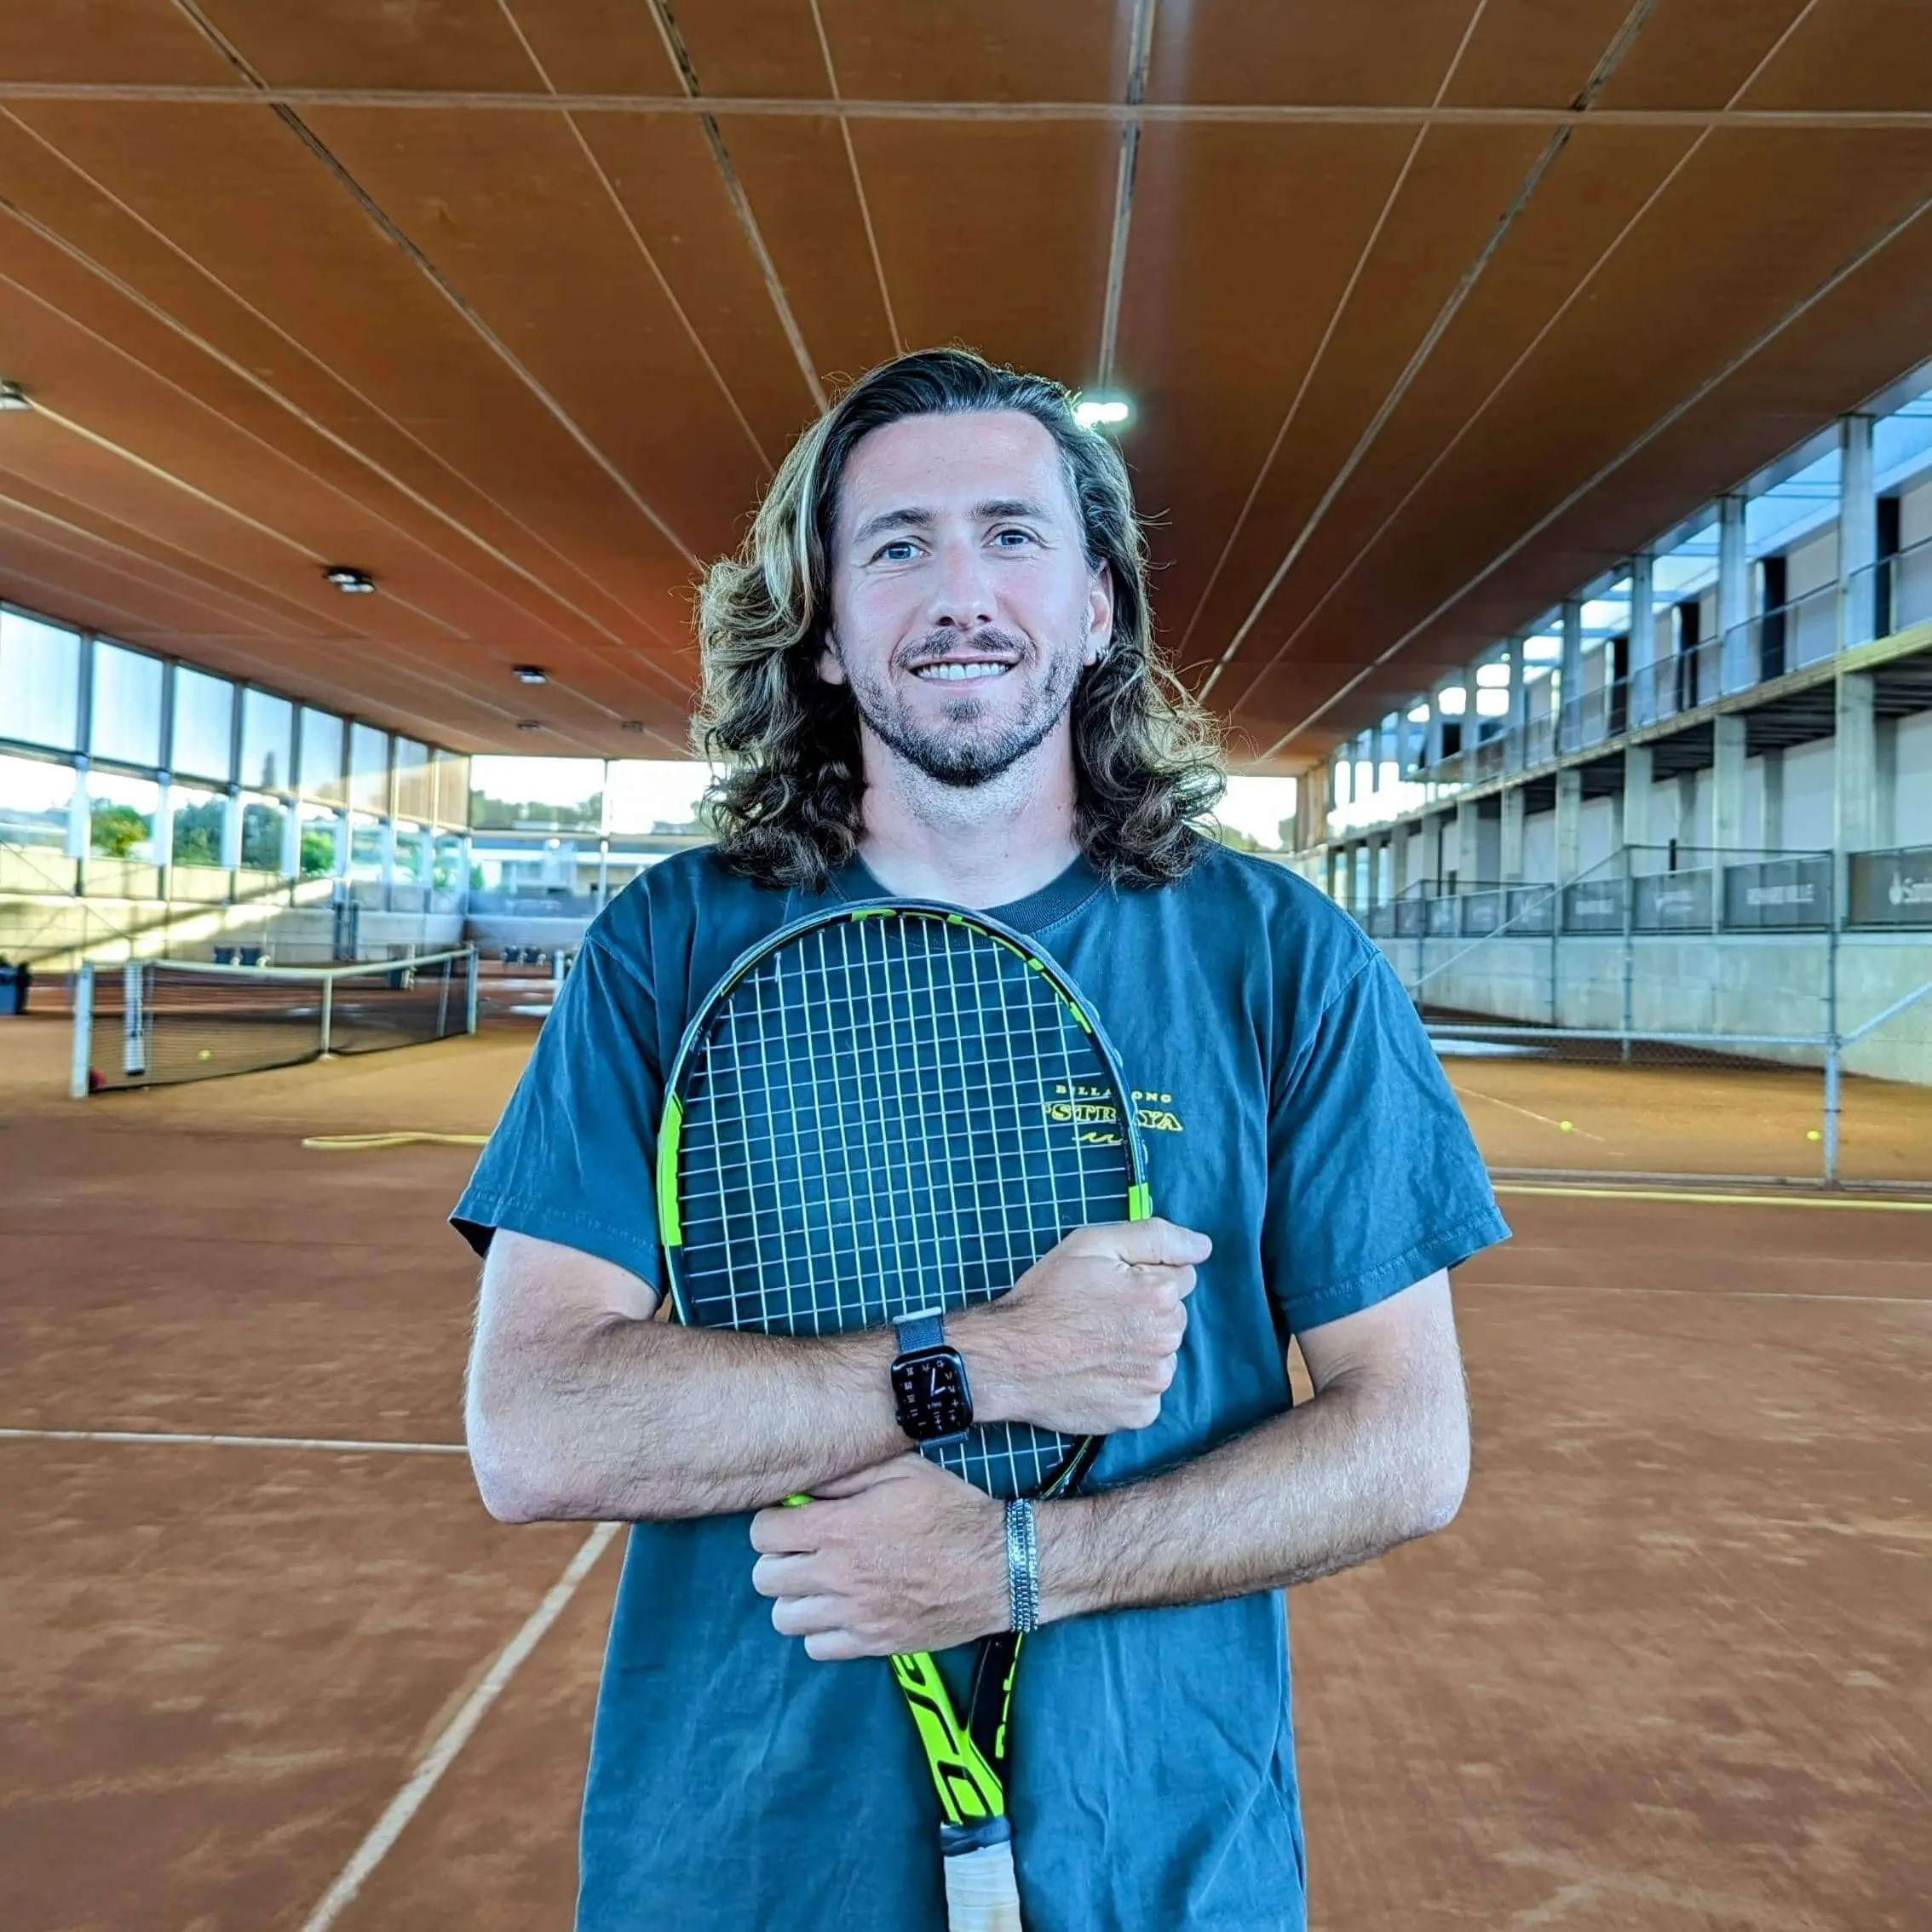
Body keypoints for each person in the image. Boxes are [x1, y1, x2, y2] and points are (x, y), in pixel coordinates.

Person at [455, 348, 1509, 1931]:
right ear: (818, 628)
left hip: (1157, 1866)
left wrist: (1025, 1567)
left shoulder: (1280, 954)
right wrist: (978, 1366)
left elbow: (1408, 1446)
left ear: (1096, 610)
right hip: (746, 1863)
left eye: (1013, 536)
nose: (960, 591)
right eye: (897, 547)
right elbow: (535, 1428)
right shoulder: (669, 946)